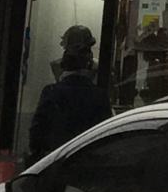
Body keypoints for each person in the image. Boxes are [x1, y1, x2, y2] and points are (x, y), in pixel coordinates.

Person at [25, 25, 110, 163]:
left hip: (56, 162)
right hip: (87, 164)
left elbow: (37, 134)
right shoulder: (99, 96)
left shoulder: (51, 92)